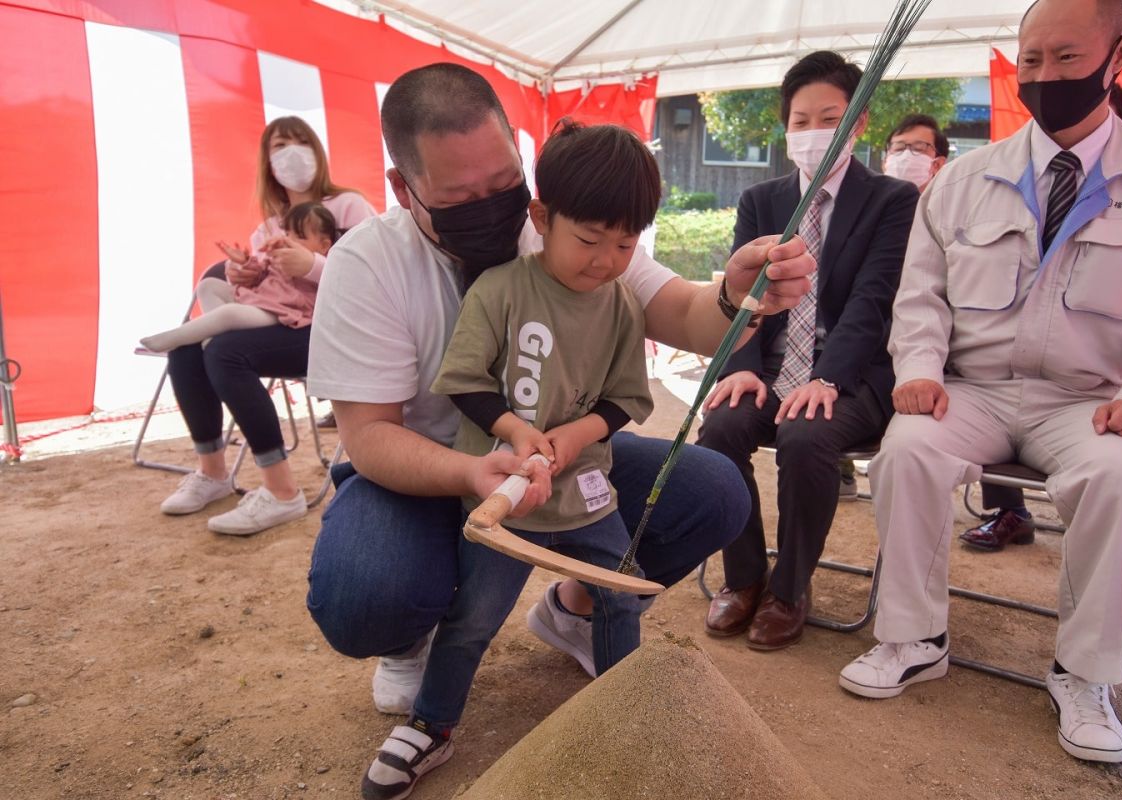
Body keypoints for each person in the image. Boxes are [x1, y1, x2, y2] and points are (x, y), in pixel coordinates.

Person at [302, 63, 814, 800]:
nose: (494, 208)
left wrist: (736, 293)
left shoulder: (576, 231)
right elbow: (371, 436)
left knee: (706, 497)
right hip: (427, 473)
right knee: (370, 594)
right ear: (402, 187)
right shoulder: (369, 264)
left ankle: (579, 622)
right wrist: (481, 469)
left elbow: (680, 315)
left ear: (522, 164)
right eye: (460, 197)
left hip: (563, 472)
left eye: (505, 183)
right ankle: (420, 668)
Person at [838, 0, 1122, 766]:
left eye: (1067, 59)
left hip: (1091, 400)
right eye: (1031, 60)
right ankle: (914, 636)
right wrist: (921, 372)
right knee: (906, 451)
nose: (1045, 76)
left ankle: (1082, 675)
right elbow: (921, 294)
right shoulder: (966, 179)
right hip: (974, 388)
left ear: (1119, 55)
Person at [430, 120, 657, 711]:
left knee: (618, 598)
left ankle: (617, 718)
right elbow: (463, 381)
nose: (606, 260)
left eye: (625, 244)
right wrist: (514, 428)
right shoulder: (500, 289)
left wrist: (579, 432)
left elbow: (626, 398)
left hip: (584, 489)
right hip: (503, 489)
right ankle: (431, 724)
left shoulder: (624, 307)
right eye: (589, 239)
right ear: (541, 216)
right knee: (474, 618)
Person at [698, 51, 918, 651]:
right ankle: (744, 578)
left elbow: (874, 302)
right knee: (719, 427)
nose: (815, 132)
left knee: (806, 435)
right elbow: (742, 293)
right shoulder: (761, 201)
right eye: (801, 120)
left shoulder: (892, 201)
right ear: (786, 126)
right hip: (770, 366)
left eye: (831, 117)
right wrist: (741, 366)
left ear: (861, 122)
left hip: (851, 375)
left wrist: (827, 377)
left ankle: (790, 589)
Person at [958, 81, 1122, 551]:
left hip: (1112, 380)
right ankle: (1010, 511)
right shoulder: (1019, 184)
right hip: (1024, 373)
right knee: (995, 377)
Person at [158, 116, 376, 535]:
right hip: (282, 322)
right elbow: (265, 284)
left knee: (225, 351)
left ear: (316, 148)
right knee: (187, 347)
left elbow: (373, 279)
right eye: (280, 145)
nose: (291, 153)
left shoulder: (349, 206)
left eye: (300, 141)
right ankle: (213, 473)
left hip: (334, 331)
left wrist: (312, 264)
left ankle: (281, 493)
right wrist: (243, 278)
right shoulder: (268, 228)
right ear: (267, 161)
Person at [140, 203, 340, 353]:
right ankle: (216, 335)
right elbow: (261, 275)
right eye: (287, 233)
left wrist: (309, 265)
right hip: (256, 300)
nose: (289, 240)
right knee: (208, 286)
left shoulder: (324, 266)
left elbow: (331, 289)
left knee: (229, 314)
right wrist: (245, 262)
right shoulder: (279, 255)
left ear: (323, 245)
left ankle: (173, 338)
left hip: (281, 313)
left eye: (300, 236)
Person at [883, 113, 949, 190]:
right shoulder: (870, 200)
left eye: (918, 149)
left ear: (937, 165)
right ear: (885, 162)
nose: (905, 156)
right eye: (899, 149)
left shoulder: (950, 201)